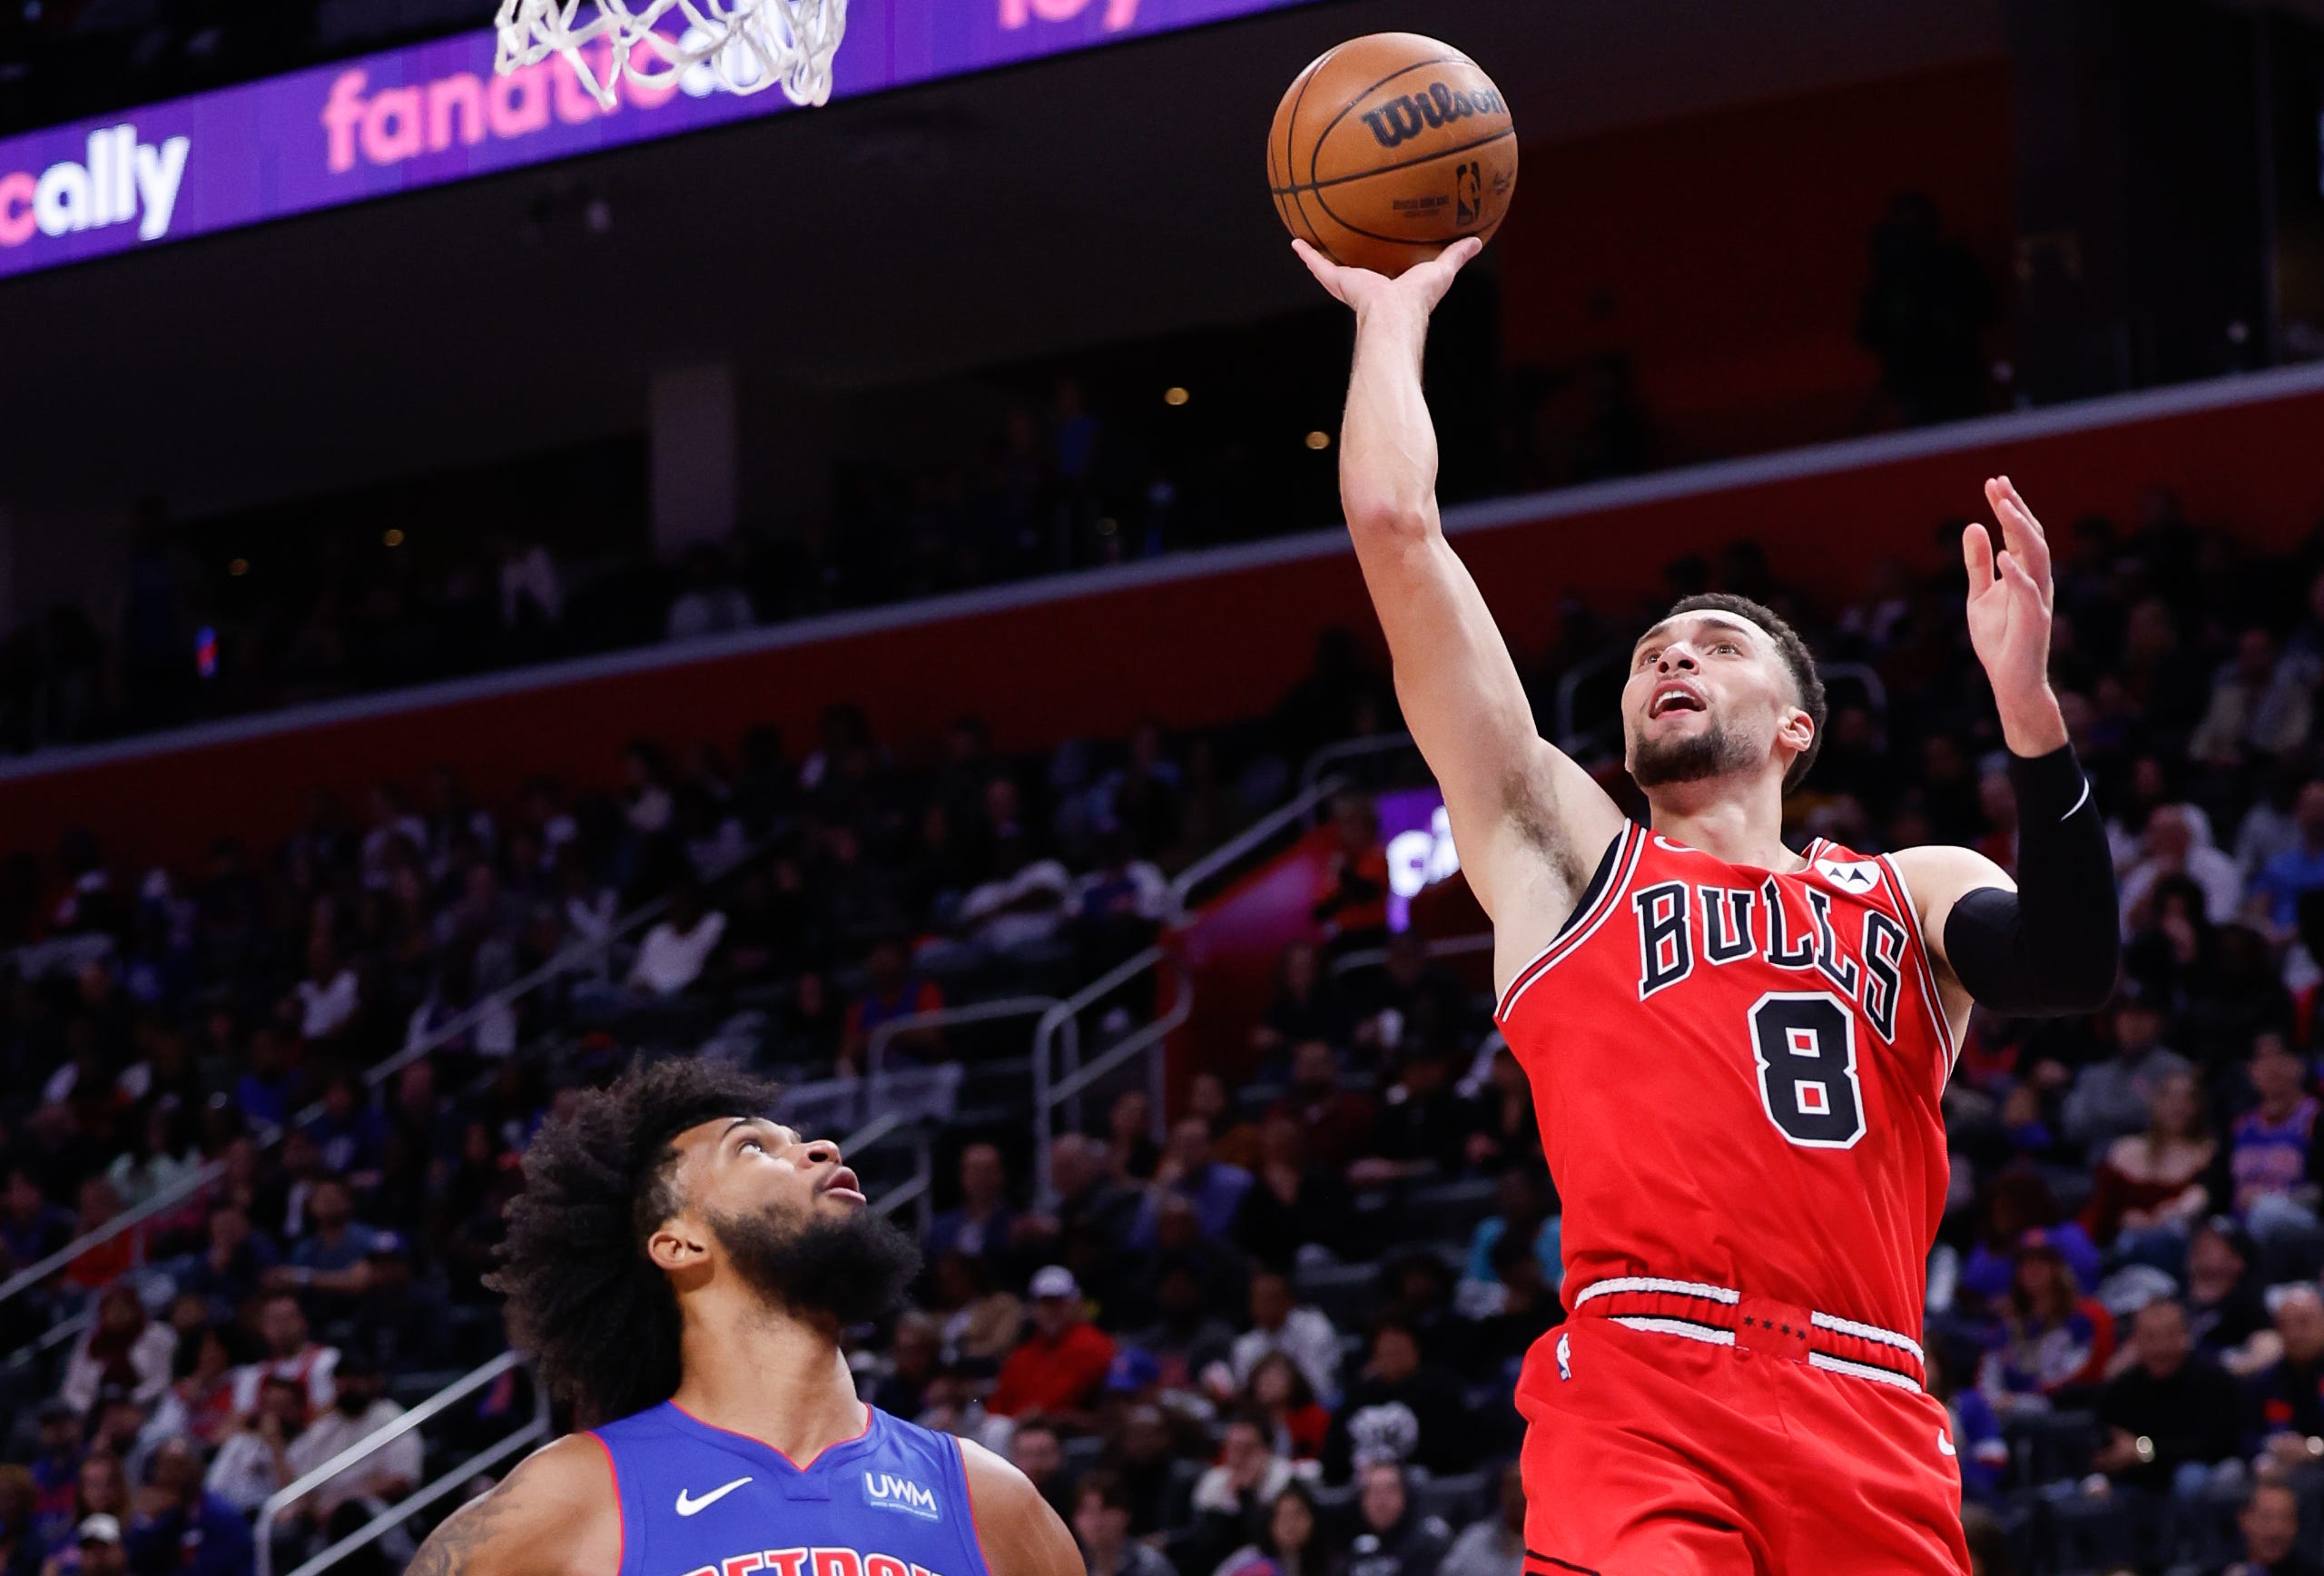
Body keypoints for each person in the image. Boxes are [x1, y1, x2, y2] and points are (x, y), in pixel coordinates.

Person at [1297, 233, 2117, 1573]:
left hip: (1871, 1406)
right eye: (1649, 653)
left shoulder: (1911, 892)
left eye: (1715, 642)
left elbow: (2074, 966)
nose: (1672, 651)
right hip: (1645, 1384)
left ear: (1797, 727)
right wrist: (1392, 319)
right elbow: (1398, 533)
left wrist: (2029, 710)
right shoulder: (1564, 854)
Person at [402, 1058, 1080, 1576]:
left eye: (803, 1140)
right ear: (679, 1242)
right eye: (753, 1147)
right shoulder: (573, 1495)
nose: (823, 1150)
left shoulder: (987, 1498)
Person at [1071, 1472, 1174, 1576]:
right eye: (1088, 1511)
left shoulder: (1151, 1566)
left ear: (1126, 1514)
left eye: (1105, 1509)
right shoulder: (1069, 1568)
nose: (1096, 1521)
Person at [2214, 1482, 2322, 1576]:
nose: (2276, 1530)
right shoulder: (2218, 1571)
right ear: (2244, 1520)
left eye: (2285, 1518)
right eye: (2266, 1518)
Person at [1436, 1462, 1524, 1576]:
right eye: (1513, 1486)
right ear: (1502, 1492)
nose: (1519, 1494)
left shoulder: (1552, 1547)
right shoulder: (1475, 1537)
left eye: (1526, 1486)